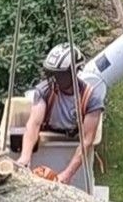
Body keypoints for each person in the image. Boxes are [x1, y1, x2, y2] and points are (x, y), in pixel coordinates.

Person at [14, 43, 105, 186]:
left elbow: (86, 141)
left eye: (59, 75)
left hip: (72, 139)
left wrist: (67, 174)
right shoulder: (45, 91)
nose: (54, 79)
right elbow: (34, 123)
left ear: (73, 73)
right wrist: (25, 157)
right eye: (52, 74)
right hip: (49, 137)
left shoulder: (91, 99)